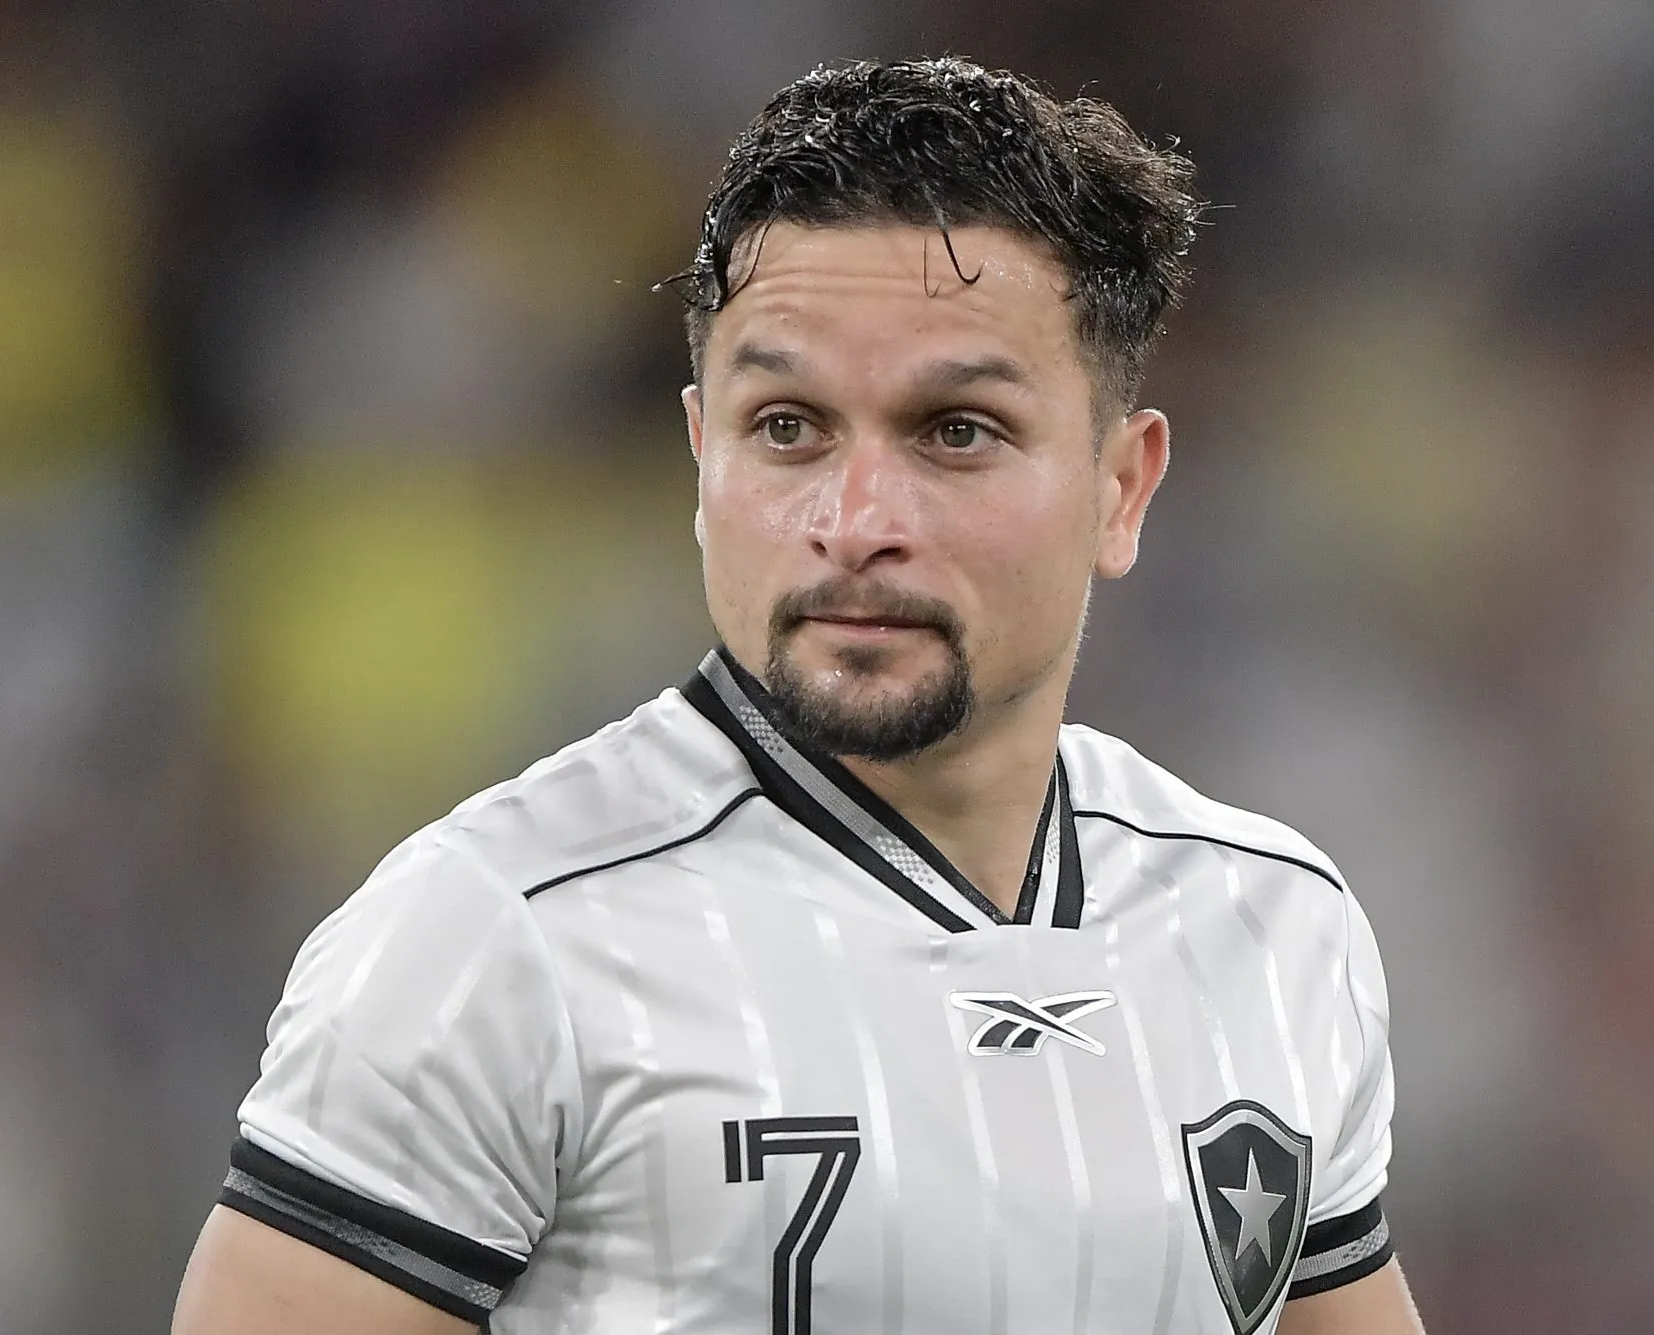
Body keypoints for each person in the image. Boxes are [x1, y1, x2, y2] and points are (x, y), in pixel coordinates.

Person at [171, 56, 1425, 1335]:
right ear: (700, 456)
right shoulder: (491, 938)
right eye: (787, 427)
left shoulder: (1273, 927)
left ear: (1121, 487)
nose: (855, 519)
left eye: (956, 431)